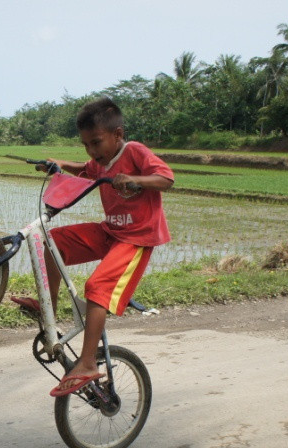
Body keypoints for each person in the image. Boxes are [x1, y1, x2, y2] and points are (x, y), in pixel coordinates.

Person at [14, 96, 175, 397]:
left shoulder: (135, 151)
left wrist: (136, 180)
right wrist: (59, 165)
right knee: (54, 242)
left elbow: (166, 178)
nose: (91, 151)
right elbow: (84, 169)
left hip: (137, 237)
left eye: (96, 143)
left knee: (97, 286)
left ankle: (87, 362)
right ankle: (46, 303)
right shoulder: (99, 160)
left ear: (117, 134)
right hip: (110, 231)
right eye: (86, 145)